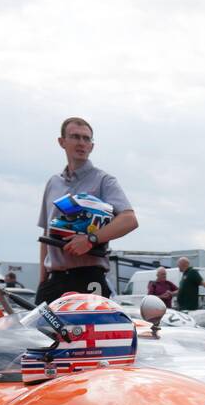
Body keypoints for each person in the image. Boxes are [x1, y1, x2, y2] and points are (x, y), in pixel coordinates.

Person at [35, 117, 138, 304]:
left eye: (86, 139)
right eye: (75, 137)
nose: (81, 143)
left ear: (92, 146)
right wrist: (42, 280)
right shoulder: (53, 183)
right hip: (53, 280)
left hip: (88, 279)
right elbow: (45, 233)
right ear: (62, 142)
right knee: (38, 333)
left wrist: (91, 239)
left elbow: (129, 219)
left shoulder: (103, 181)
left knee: (89, 333)